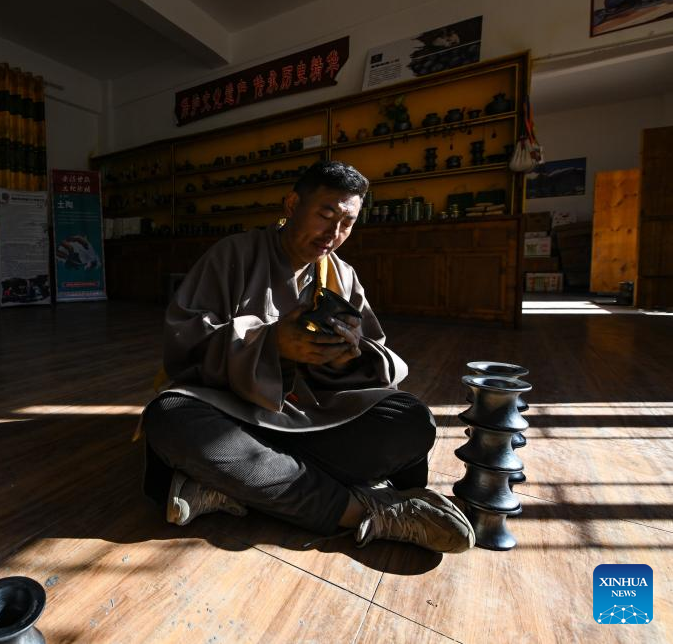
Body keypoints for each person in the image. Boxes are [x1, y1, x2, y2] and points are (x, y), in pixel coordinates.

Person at [140, 160, 474, 554]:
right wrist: (270, 344)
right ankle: (365, 511)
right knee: (169, 417)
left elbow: (376, 361)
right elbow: (185, 341)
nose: (334, 233)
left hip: (312, 418)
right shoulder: (233, 255)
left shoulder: (343, 275)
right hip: (233, 414)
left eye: (347, 223)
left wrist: (344, 359)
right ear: (292, 204)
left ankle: (228, 484)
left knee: (412, 421)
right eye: (325, 214)